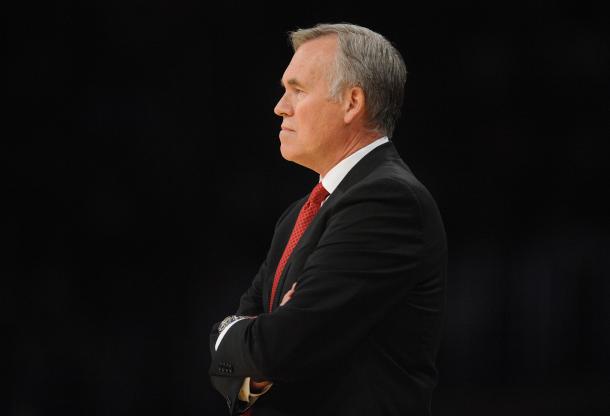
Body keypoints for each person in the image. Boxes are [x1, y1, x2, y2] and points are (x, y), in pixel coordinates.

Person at [209, 23, 447, 416]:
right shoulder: (297, 215)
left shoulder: (388, 200)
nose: (280, 106)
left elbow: (281, 347)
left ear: (352, 103)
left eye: (297, 90)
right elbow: (230, 362)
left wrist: (245, 337)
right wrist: (251, 340)